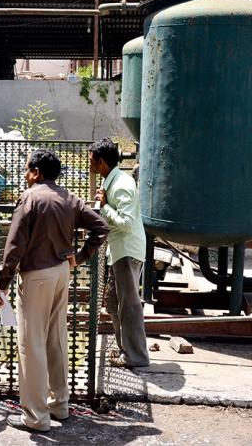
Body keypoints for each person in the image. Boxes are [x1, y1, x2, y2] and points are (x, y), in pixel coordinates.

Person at [0, 149, 108, 432]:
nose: (24, 175)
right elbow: (101, 227)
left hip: (37, 276)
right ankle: (59, 405)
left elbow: (15, 245)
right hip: (61, 272)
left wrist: (4, 282)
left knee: (31, 344)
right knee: (55, 339)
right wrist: (79, 257)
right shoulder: (70, 198)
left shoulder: (30, 197)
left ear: (36, 172)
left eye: (26, 170)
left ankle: (35, 417)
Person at [89, 138, 150, 368]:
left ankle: (137, 356)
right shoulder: (112, 182)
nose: (90, 165)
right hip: (120, 251)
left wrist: (104, 207)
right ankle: (127, 350)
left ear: (101, 161)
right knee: (113, 302)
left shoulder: (122, 184)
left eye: (91, 160)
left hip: (127, 252)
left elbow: (125, 222)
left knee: (129, 305)